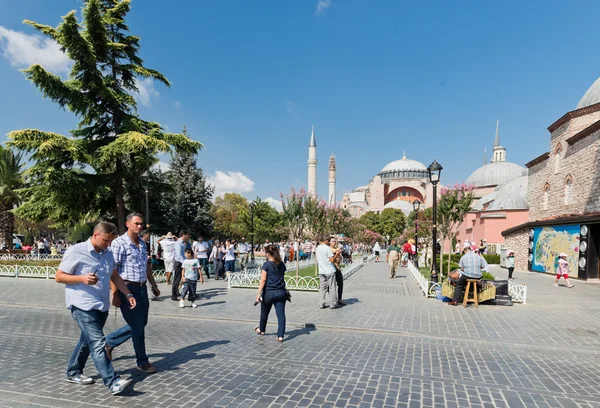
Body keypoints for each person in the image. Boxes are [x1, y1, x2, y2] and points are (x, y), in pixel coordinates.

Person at [55, 221, 134, 395]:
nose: (108, 244)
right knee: (98, 342)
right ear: (96, 234)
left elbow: (115, 276)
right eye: (106, 240)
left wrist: (127, 294)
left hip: (101, 305)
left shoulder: (107, 254)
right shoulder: (76, 251)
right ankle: (112, 382)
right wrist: (82, 279)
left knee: (86, 341)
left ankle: (74, 372)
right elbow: (59, 276)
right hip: (82, 304)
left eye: (110, 241)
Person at [105, 213, 160, 374]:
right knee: (137, 325)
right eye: (136, 223)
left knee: (141, 323)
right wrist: (115, 294)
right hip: (127, 288)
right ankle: (142, 361)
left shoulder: (143, 244)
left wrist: (153, 284)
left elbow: (146, 266)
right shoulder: (119, 243)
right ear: (128, 224)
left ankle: (109, 342)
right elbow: (113, 271)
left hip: (142, 288)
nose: (140, 226)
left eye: (141, 224)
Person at [255, 244, 288, 342]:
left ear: (268, 254)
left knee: (264, 312)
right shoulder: (281, 264)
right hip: (281, 292)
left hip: (269, 292)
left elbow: (263, 280)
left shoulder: (266, 265)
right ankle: (280, 335)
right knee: (281, 314)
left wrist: (258, 294)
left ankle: (262, 329)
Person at [316, 235, 340, 309]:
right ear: (326, 240)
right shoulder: (327, 248)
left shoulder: (317, 248)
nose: (329, 242)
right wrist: (337, 254)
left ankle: (321, 303)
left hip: (321, 270)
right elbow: (332, 260)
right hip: (329, 270)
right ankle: (333, 303)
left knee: (322, 287)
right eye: (328, 240)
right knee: (332, 287)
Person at [171, 231, 190, 300]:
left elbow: (183, 254)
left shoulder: (183, 243)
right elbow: (179, 255)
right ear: (183, 235)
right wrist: (184, 262)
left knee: (182, 278)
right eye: (186, 235)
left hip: (182, 262)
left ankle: (177, 291)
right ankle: (174, 295)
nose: (187, 237)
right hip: (179, 262)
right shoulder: (178, 243)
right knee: (177, 279)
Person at [329, 237, 345, 306]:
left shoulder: (336, 249)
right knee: (332, 285)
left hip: (338, 268)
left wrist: (340, 254)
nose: (334, 242)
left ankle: (340, 298)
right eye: (332, 241)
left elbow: (340, 259)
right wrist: (337, 254)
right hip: (332, 269)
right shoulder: (329, 250)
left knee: (340, 284)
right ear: (329, 242)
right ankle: (333, 299)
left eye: (335, 241)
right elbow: (332, 260)